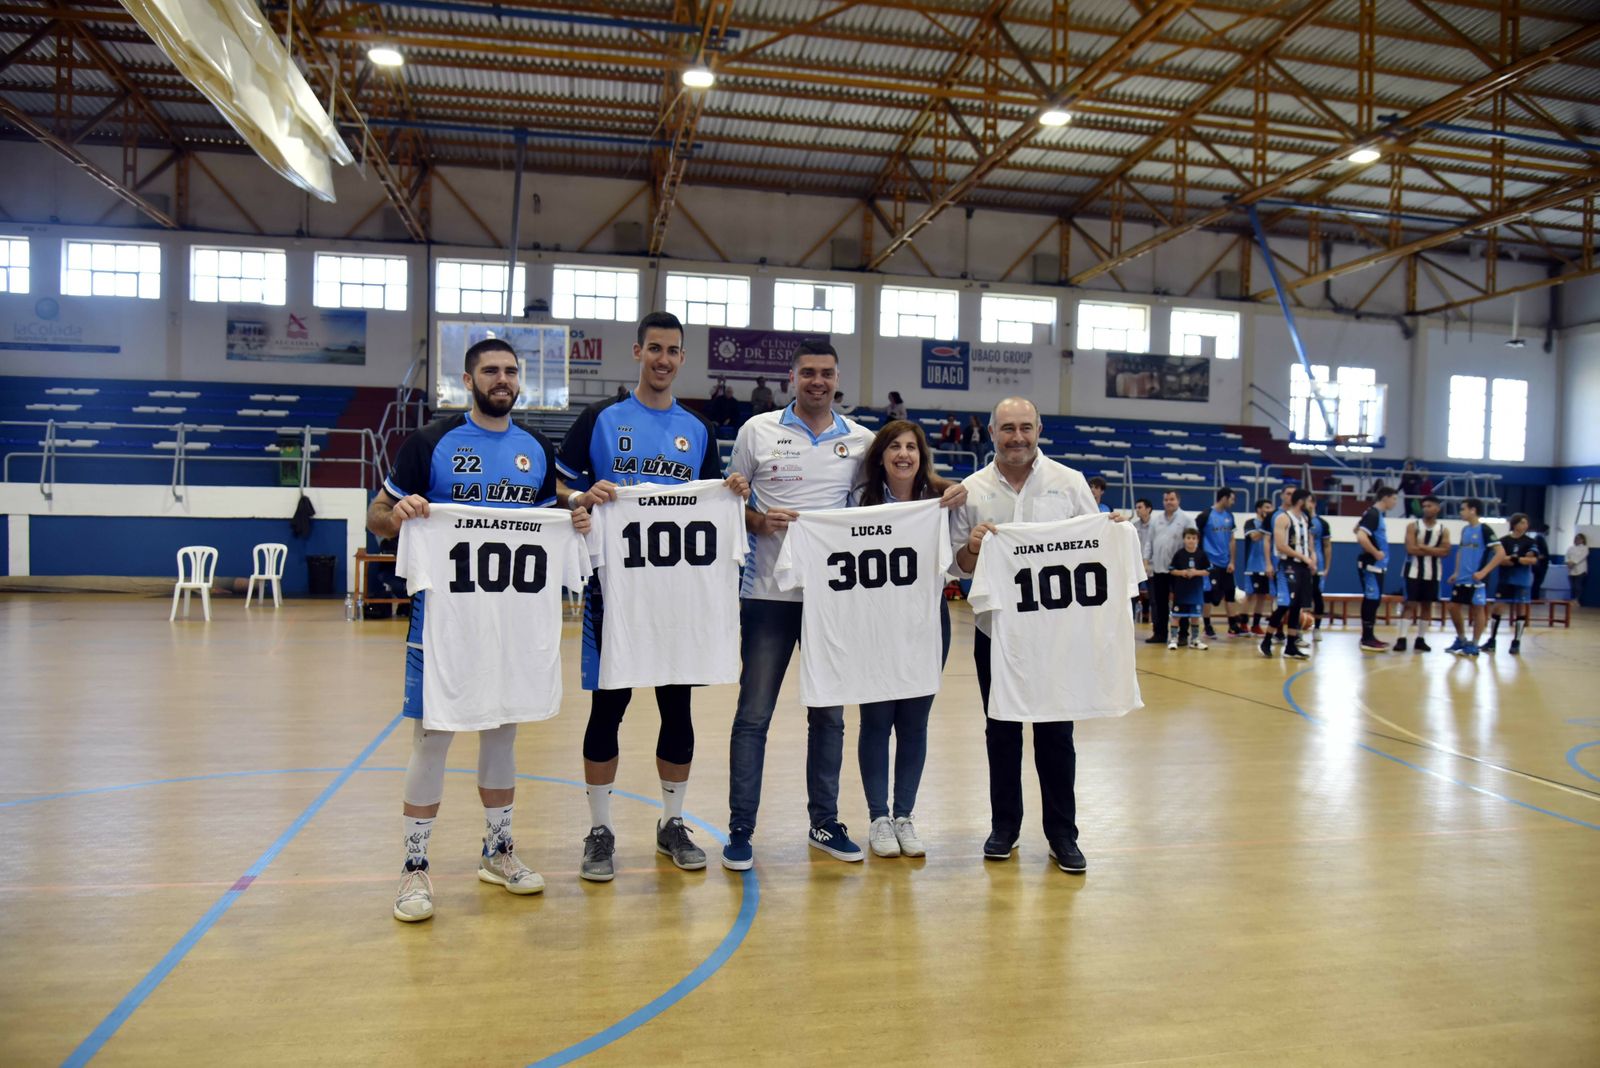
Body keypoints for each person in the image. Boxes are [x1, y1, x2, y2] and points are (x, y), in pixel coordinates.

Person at [369, 337, 592, 923]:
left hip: (512, 624)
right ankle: (415, 868)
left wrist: (573, 512)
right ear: (468, 380)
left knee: (501, 735)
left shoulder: (535, 448)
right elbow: (376, 514)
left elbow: (551, 518)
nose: (502, 379)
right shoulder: (431, 442)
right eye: (490, 371)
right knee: (432, 739)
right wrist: (398, 516)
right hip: (443, 622)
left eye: (510, 372)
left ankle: (498, 852)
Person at [723, 341, 963, 871]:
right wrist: (759, 520)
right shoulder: (756, 431)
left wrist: (949, 491)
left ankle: (824, 822)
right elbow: (732, 503)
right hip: (767, 595)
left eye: (826, 373)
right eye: (807, 372)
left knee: (829, 717)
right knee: (753, 716)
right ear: (792, 377)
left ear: (836, 379)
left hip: (835, 603)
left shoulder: (859, 441)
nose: (816, 381)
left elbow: (898, 489)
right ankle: (741, 829)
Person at [557, 311, 750, 882]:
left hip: (676, 600)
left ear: (682, 359)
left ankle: (671, 822)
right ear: (638, 352)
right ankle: (599, 830)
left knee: (677, 708)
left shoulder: (696, 431)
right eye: (655, 349)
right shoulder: (600, 419)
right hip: (613, 596)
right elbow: (558, 485)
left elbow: (711, 499)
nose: (663, 359)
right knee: (607, 710)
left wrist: (732, 489)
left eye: (673, 351)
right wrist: (580, 497)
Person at [950, 396, 1101, 872]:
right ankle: (1005, 827)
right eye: (1007, 428)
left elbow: (1092, 546)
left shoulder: (1070, 484)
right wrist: (971, 547)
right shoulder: (971, 490)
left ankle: (1062, 834)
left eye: (1026, 427)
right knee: (1002, 732)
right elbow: (958, 564)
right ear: (992, 432)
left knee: (1057, 734)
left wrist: (1113, 528)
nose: (1017, 437)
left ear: (1039, 429)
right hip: (994, 632)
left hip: (1053, 635)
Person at [851, 420, 954, 858]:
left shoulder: (941, 503)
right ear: (881, 455)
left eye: (912, 447)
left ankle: (904, 815)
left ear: (921, 456)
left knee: (914, 724)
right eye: (894, 446)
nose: (903, 454)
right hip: (873, 626)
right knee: (876, 722)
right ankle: (878, 817)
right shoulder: (858, 502)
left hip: (927, 623)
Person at [1446, 498, 1505, 657]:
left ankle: (1475, 643)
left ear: (1473, 510)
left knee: (1478, 608)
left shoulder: (1485, 530)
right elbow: (1460, 551)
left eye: (1463, 509)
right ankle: (1461, 639)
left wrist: (1484, 572)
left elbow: (1500, 553)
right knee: (1452, 607)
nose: (1460, 512)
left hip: (1477, 579)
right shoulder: (1465, 530)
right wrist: (1456, 572)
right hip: (1462, 578)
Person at [1261, 488, 1314, 661]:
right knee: (1284, 604)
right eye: (1308, 500)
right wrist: (1303, 557)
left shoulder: (1305, 518)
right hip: (1288, 566)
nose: (1311, 504)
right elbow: (1281, 546)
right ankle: (1267, 640)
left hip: (1303, 567)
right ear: (1301, 501)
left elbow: (1309, 543)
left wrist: (1312, 559)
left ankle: (1291, 646)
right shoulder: (1283, 517)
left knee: (1297, 607)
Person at [1394, 494, 1450, 653]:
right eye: (1424, 506)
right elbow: (1411, 549)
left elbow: (1446, 551)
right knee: (1409, 604)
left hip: (1433, 573)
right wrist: (1434, 550)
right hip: (1413, 571)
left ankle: (1420, 639)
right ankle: (1402, 638)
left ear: (1437, 508)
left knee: (1427, 605)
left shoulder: (1442, 529)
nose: (1426, 509)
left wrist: (1423, 548)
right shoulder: (1413, 526)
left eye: (1429, 506)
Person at [1484, 513, 1541, 655]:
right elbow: (1500, 559)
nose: (1525, 525)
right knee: (1497, 608)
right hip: (1505, 580)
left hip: (1522, 580)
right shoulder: (1504, 541)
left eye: (1526, 523)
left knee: (1520, 609)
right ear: (1514, 524)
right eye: (1522, 522)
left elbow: (1532, 560)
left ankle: (1516, 641)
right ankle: (1492, 640)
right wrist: (1516, 559)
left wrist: (1516, 560)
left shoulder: (1530, 542)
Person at [1143, 489, 1189, 645]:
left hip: (1179, 570)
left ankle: (1182, 635)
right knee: (1159, 602)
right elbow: (1149, 542)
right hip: (1160, 568)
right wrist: (1146, 561)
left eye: (1172, 499)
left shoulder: (1186, 519)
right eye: (1166, 499)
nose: (1169, 502)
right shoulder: (1156, 520)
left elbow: (1193, 543)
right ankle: (1160, 633)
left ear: (1178, 501)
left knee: (1180, 602)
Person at [1354, 485, 1397, 653]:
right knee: (1371, 600)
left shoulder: (1373, 514)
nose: (1395, 502)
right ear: (1385, 497)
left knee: (1374, 600)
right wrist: (1375, 552)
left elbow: (1356, 528)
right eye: (1394, 498)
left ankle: (1369, 636)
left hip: (1377, 566)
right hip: (1371, 564)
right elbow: (1360, 535)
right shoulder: (1373, 514)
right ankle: (1367, 638)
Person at [1201, 487, 1240, 638]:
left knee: (1230, 593)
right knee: (1209, 595)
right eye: (1231, 499)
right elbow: (1197, 538)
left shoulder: (1229, 516)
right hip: (1211, 563)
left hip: (1226, 563)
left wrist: (1232, 561)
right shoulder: (1206, 515)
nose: (1233, 502)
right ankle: (1207, 626)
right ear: (1224, 498)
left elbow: (1232, 539)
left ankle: (1233, 625)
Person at [1168, 528, 1210, 651]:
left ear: (1197, 540)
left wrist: (1196, 572)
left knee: (1195, 616)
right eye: (1188, 538)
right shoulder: (1179, 554)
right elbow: (1172, 570)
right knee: (1176, 616)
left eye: (1193, 538)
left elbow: (1208, 571)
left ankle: (1195, 640)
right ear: (1184, 539)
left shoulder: (1201, 554)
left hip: (1195, 591)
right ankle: (1173, 639)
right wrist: (1183, 572)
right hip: (1181, 592)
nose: (1191, 540)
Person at [1241, 498, 1275, 635]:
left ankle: (1256, 625)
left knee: (1262, 597)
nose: (1269, 510)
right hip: (1253, 566)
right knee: (1249, 595)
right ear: (1259, 509)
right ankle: (1243, 623)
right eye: (1266, 507)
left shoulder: (1273, 525)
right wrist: (1266, 525)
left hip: (1267, 566)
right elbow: (1255, 537)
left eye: (1270, 508)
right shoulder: (1250, 523)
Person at [1306, 495, 1331, 637]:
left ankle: (1317, 628)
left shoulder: (1322, 523)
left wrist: (1327, 567)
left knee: (1317, 596)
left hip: (1318, 564)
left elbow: (1327, 546)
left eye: (1309, 501)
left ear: (1314, 503)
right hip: (1302, 563)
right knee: (1301, 597)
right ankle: (1298, 628)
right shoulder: (1299, 521)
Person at [1529, 523, 1550, 601]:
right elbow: (1540, 551)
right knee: (1538, 581)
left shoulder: (1539, 538)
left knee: (1537, 581)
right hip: (1540, 564)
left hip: (1540, 564)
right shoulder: (1539, 538)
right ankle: (1535, 596)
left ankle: (1535, 595)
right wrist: (1540, 557)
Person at [1568, 533, 1589, 605]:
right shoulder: (1570, 548)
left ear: (1583, 540)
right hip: (1571, 570)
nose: (1577, 540)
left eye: (1579, 538)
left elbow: (1581, 557)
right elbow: (1567, 556)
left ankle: (1576, 600)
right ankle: (1572, 599)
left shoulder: (1585, 548)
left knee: (1578, 586)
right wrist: (1568, 562)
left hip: (1581, 570)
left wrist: (1573, 562)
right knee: (1572, 586)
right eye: (1576, 538)